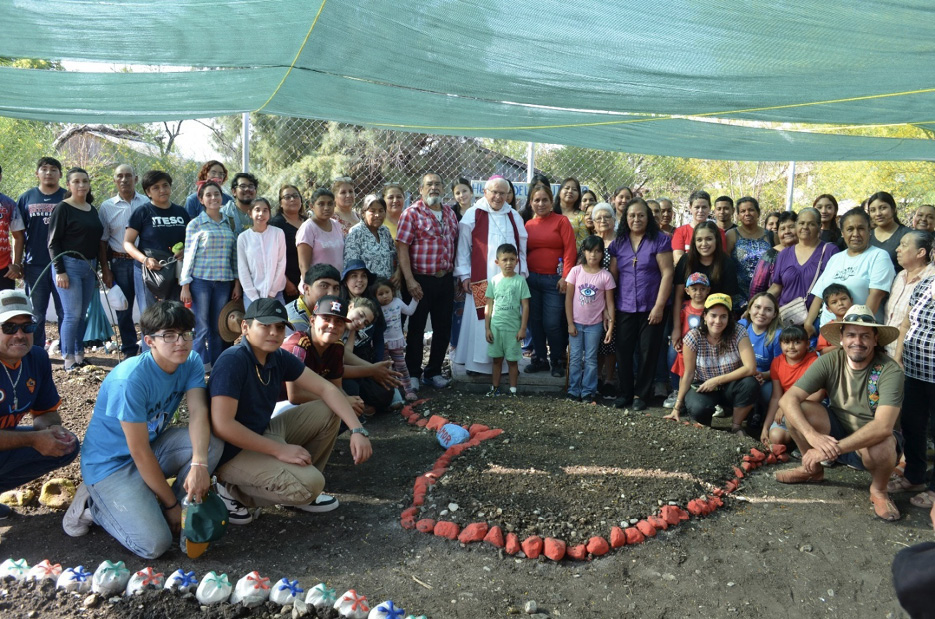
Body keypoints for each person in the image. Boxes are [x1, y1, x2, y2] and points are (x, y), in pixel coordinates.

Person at [66, 301, 222, 557]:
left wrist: (199, 465)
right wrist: (169, 504)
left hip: (152, 448)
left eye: (185, 334)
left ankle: (185, 510)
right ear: (149, 341)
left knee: (211, 444)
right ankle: (93, 505)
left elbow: (198, 413)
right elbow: (138, 452)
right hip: (111, 466)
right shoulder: (129, 380)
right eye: (169, 336)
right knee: (154, 545)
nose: (180, 342)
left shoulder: (191, 360)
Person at [209, 298, 371, 523]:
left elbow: (326, 389)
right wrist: (279, 450)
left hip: (263, 431)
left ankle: (296, 490)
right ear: (246, 327)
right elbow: (223, 425)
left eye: (279, 327)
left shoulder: (277, 356)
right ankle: (229, 492)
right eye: (265, 326)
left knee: (331, 408)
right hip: (231, 452)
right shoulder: (233, 360)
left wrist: (357, 430)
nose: (274, 333)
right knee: (312, 484)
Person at [776, 305, 904, 522]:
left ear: (876, 340)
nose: (858, 341)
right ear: (842, 338)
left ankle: (879, 490)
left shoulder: (890, 370)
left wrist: (827, 450)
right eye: (851, 335)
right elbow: (788, 399)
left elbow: (883, 426)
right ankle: (812, 470)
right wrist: (812, 436)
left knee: (883, 443)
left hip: (870, 440)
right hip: (836, 428)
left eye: (865, 336)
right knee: (798, 412)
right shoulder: (830, 360)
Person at [0, 290, 78, 520]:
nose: (20, 335)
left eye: (27, 327)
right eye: (9, 327)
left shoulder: (37, 358)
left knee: (65, 448)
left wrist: (52, 430)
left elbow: (45, 412)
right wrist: (34, 439)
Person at [453, 177, 528, 374]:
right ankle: (477, 365)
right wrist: (464, 275)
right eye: (494, 192)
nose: (498, 196)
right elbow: (462, 249)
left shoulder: (514, 216)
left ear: (508, 195)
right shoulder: (473, 215)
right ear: (485, 192)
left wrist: (521, 274)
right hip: (481, 277)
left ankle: (506, 364)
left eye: (502, 193)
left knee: (507, 317)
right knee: (481, 318)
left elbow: (521, 248)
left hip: (508, 279)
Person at [609, 198, 674, 410]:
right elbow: (613, 277)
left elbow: (667, 273)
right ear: (625, 218)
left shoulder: (660, 241)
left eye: (641, 215)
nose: (636, 219)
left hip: (651, 307)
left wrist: (659, 306)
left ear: (648, 218)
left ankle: (641, 395)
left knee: (648, 352)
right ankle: (625, 393)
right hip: (624, 306)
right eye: (632, 215)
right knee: (624, 351)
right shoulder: (618, 244)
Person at [396, 172, 459, 390]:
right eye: (429, 184)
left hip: (445, 280)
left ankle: (433, 372)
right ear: (421, 190)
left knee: (443, 328)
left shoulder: (450, 213)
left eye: (438, 184)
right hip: (420, 281)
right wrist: (410, 280)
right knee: (416, 328)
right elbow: (402, 247)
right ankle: (413, 372)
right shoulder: (411, 213)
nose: (434, 188)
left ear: (444, 189)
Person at [664, 294, 758, 433]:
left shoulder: (738, 332)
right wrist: (677, 407)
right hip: (703, 385)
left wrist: (716, 380)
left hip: (731, 384)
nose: (718, 321)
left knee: (750, 384)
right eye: (713, 315)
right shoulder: (693, 336)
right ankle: (709, 429)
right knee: (698, 407)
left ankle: (736, 426)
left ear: (729, 317)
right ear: (705, 316)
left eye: (723, 316)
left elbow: (750, 368)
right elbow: (688, 373)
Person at [48, 167, 106, 371]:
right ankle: (68, 359)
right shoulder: (63, 208)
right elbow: (53, 243)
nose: (81, 185)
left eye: (85, 181)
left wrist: (99, 269)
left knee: (82, 315)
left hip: (89, 267)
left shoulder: (92, 209)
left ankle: (79, 354)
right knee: (72, 314)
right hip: (69, 266)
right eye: (76, 181)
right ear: (70, 185)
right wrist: (60, 270)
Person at [179, 180, 240, 368]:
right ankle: (197, 366)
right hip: (201, 283)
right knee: (201, 327)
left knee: (218, 327)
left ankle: (217, 365)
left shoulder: (228, 222)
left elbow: (234, 255)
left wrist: (237, 283)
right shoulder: (195, 224)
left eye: (217, 194)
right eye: (209, 195)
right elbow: (188, 256)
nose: (214, 198)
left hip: (224, 282)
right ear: (201, 199)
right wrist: (185, 285)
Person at [806, 208, 895, 334]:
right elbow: (820, 294)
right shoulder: (836, 258)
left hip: (859, 332)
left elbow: (876, 295)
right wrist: (809, 322)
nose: (855, 234)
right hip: (828, 331)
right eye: (850, 229)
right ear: (842, 233)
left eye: (861, 228)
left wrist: (858, 327)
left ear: (869, 230)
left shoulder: (879, 256)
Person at [524, 182, 576, 377]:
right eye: (536, 200)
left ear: (551, 201)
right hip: (532, 280)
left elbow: (570, 251)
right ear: (531, 203)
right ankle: (540, 360)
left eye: (545, 200)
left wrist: (565, 277)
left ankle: (556, 360)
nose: (541, 203)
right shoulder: (528, 225)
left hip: (554, 281)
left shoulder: (561, 221)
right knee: (535, 321)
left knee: (552, 322)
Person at [12, 157, 65, 348]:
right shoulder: (26, 198)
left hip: (63, 264)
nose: (49, 172)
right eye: (44, 169)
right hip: (35, 265)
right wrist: (17, 262)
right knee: (36, 313)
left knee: (64, 312)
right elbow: (18, 234)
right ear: (37, 173)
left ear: (60, 174)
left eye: (53, 169)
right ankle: (36, 350)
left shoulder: (67, 197)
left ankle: (68, 352)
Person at [894, 267, 935, 510]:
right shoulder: (924, 284)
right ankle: (915, 476)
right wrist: (899, 358)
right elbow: (906, 323)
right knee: (912, 424)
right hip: (914, 370)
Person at [124, 170, 190, 315]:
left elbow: (191, 241)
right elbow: (127, 243)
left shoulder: (181, 212)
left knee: (175, 314)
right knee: (150, 316)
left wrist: (185, 250)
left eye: (165, 185)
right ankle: (148, 338)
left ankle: (170, 338)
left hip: (175, 271)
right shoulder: (142, 212)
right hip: (149, 271)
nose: (162, 190)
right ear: (148, 192)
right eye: (156, 187)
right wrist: (145, 260)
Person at [99, 164, 148, 357]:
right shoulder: (107, 207)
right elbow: (102, 241)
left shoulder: (146, 203)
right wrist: (106, 268)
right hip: (119, 263)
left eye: (128, 176)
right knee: (123, 309)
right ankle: (129, 350)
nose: (124, 180)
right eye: (120, 176)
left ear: (136, 179)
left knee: (147, 309)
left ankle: (148, 349)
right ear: (114, 180)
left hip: (144, 263)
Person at [766, 207, 838, 328]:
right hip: (787, 318)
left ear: (819, 226)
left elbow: (833, 289)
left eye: (811, 224)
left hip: (816, 320)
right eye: (801, 223)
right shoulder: (784, 254)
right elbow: (776, 286)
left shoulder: (830, 251)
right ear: (796, 226)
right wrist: (759, 303)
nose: (805, 227)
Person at [670, 220, 739, 346]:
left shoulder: (726, 263)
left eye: (709, 239)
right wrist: (676, 328)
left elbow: (727, 301)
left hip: (714, 320)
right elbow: (678, 297)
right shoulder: (685, 260)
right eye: (699, 240)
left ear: (716, 240)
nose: (704, 244)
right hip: (686, 317)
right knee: (673, 356)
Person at [565, 236, 615, 404]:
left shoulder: (605, 276)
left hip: (595, 325)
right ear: (584, 252)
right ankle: (573, 390)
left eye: (597, 251)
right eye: (589, 251)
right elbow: (568, 299)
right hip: (576, 323)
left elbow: (609, 302)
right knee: (575, 357)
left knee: (592, 359)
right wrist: (570, 323)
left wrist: (610, 326)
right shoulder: (575, 271)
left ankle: (588, 391)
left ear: (602, 254)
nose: (593, 255)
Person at [481, 243, 531, 397]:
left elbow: (526, 306)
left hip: (513, 329)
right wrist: (487, 328)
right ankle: (494, 388)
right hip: (496, 328)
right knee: (496, 360)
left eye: (512, 259)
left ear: (517, 261)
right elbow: (488, 305)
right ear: (497, 262)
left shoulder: (520, 281)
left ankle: (513, 390)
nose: (508, 263)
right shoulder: (494, 280)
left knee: (512, 361)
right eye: (505, 260)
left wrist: (523, 328)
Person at [761, 325, 821, 446]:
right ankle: (796, 439)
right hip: (788, 407)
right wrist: (765, 427)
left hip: (810, 408)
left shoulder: (815, 362)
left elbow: (818, 396)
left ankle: (805, 441)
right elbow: (776, 397)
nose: (791, 347)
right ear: (781, 344)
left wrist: (785, 407)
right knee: (775, 438)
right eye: (786, 343)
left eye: (797, 342)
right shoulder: (777, 362)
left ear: (807, 344)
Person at [737, 292, 782, 433]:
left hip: (766, 377)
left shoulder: (777, 335)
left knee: (769, 394)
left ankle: (760, 410)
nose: (761, 313)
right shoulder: (742, 326)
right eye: (757, 307)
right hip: (740, 373)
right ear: (749, 309)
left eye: (768, 309)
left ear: (774, 314)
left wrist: (763, 375)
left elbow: (779, 368)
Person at [884, 231, 935, 357]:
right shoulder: (900, 275)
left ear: (920, 253)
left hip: (912, 358)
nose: (897, 249)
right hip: (885, 353)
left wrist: (898, 356)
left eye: (903, 245)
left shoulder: (931, 279)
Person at [664, 272, 710, 409]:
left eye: (702, 289)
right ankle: (676, 390)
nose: (698, 293)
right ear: (687, 291)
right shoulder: (684, 307)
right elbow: (679, 325)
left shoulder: (710, 308)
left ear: (708, 290)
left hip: (704, 346)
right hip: (684, 344)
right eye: (694, 289)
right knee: (673, 355)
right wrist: (677, 340)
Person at [373, 278, 418, 402]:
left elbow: (410, 311)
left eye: (387, 292)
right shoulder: (375, 308)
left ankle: (408, 390)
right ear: (375, 296)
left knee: (401, 366)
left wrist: (416, 298)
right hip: (383, 344)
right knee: (387, 369)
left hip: (397, 341)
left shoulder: (397, 302)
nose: (385, 296)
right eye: (380, 294)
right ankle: (392, 393)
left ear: (392, 291)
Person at [726, 197, 772, 312]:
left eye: (751, 210)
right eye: (742, 211)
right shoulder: (732, 235)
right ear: (737, 215)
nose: (747, 213)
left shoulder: (771, 236)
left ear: (758, 213)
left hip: (766, 294)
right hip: (739, 297)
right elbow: (725, 265)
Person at [238, 197, 286, 308]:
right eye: (257, 210)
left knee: (280, 324)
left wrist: (272, 293)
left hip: (276, 294)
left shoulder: (278, 233)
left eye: (265, 210)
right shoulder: (243, 238)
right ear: (250, 213)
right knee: (255, 324)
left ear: (269, 213)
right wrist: (254, 297)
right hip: (252, 295)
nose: (261, 214)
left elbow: (281, 262)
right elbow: (243, 269)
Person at [591, 203, 618, 394]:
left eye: (607, 217)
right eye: (598, 218)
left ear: (614, 220)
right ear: (593, 222)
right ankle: (597, 377)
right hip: (592, 299)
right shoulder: (590, 243)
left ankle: (609, 378)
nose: (603, 221)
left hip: (614, 296)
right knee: (597, 338)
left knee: (611, 338)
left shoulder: (619, 242)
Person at [344, 197, 397, 281]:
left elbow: (395, 255)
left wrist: (397, 274)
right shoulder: (355, 233)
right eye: (372, 211)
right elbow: (352, 265)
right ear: (363, 213)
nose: (377, 215)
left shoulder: (385, 231)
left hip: (388, 287)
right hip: (367, 287)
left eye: (381, 211)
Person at [750, 211, 799, 299]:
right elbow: (757, 287)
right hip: (774, 307)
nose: (787, 232)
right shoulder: (770, 255)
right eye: (782, 229)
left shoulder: (808, 252)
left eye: (791, 227)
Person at [296, 187, 344, 278]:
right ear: (312, 206)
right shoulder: (308, 228)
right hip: (317, 284)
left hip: (336, 284)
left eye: (330, 204)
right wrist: (309, 288)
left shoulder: (336, 225)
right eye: (321, 204)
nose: (326, 208)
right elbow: (303, 265)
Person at [270, 185, 306, 303]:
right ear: (280, 203)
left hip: (308, 280)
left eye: (296, 196)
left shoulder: (308, 222)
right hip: (288, 284)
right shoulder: (276, 224)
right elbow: (272, 258)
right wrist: (285, 282)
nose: (292, 199)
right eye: (287, 197)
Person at [670, 190, 727, 264]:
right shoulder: (680, 232)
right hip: (688, 272)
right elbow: (678, 258)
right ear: (690, 208)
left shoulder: (718, 232)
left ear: (709, 208)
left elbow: (721, 258)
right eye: (697, 207)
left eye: (704, 207)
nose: (700, 211)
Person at [868, 191, 912, 271]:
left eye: (883, 208)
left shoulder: (907, 234)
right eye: (873, 210)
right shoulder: (867, 236)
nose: (878, 214)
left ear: (893, 209)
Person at [0, 165, 21, 293]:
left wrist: (16, 265)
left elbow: (18, 236)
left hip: (4, 270)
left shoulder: (9, 204)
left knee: (7, 312)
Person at [815, 284, 854, 354]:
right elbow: (822, 351)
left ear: (851, 300)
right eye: (834, 302)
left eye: (843, 299)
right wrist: (842, 345)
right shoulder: (827, 328)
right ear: (829, 309)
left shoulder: (861, 322)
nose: (840, 303)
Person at [554, 177, 588, 247]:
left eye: (574, 189)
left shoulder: (581, 216)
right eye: (567, 188)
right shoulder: (549, 212)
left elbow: (582, 243)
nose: (570, 191)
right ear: (559, 192)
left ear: (578, 195)